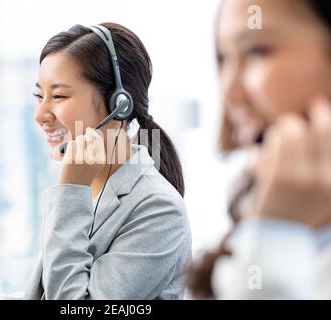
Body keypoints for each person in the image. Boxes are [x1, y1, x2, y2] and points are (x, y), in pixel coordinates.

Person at [26, 22, 191, 299]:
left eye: (58, 96)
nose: (41, 115)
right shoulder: (91, 190)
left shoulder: (160, 210)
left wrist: (70, 193)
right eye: (39, 96)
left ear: (119, 104)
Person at [187, 0, 331, 299]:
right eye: (223, 59)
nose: (230, 92)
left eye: (256, 51)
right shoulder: (251, 210)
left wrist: (277, 237)